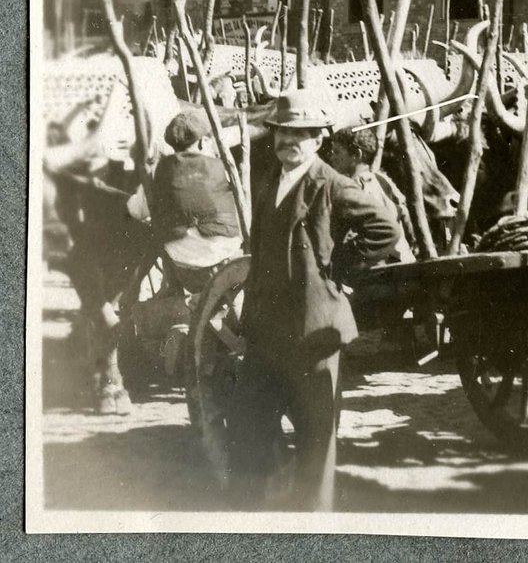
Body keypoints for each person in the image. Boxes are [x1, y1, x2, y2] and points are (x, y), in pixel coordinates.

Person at [230, 91, 401, 512]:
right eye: (283, 132)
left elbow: (385, 228)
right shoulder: (270, 180)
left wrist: (336, 268)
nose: (289, 141)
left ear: (319, 138)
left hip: (313, 332)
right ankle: (250, 524)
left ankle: (312, 527)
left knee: (316, 439)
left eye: (301, 134)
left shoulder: (332, 184)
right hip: (266, 330)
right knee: (248, 426)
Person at [147, 112, 244, 293]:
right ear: (201, 142)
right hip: (227, 262)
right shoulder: (219, 166)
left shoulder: (159, 170)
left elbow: (138, 210)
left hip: (187, 271)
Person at [324, 126, 412, 267]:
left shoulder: (354, 187)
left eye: (337, 152)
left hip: (382, 265)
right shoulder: (382, 179)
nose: (331, 157)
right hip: (403, 259)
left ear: (356, 155)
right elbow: (405, 214)